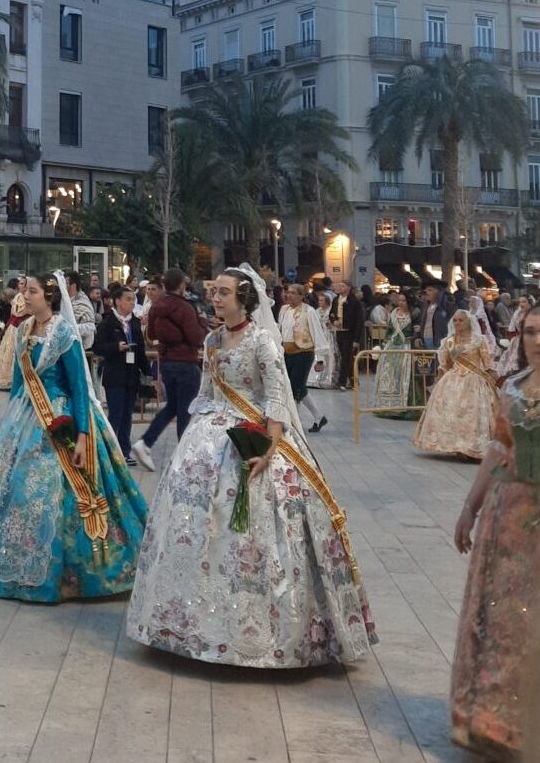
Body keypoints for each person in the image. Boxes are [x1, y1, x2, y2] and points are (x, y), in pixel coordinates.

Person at [127, 264, 377, 667]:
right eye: (213, 291)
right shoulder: (210, 340)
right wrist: (199, 435)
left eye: (223, 292)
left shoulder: (262, 340)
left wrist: (269, 444)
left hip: (255, 434)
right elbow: (207, 392)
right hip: (211, 435)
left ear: (243, 299)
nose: (215, 297)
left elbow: (277, 396)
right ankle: (188, 621)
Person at [0, 272, 148, 602]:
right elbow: (21, 383)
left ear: (49, 297)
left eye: (31, 291)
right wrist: (10, 429)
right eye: (24, 291)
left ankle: (64, 571)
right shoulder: (21, 331)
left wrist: (81, 434)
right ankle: (13, 563)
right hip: (25, 416)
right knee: (15, 490)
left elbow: (79, 384)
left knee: (52, 493)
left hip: (60, 415)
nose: (25, 296)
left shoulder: (64, 333)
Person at [450, 302, 540, 761]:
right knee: (500, 614)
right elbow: (496, 449)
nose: (536, 340)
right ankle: (490, 718)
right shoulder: (514, 389)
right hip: (505, 513)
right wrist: (471, 506)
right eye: (529, 331)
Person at [132, 268, 205, 472]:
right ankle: (183, 457)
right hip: (186, 362)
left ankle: (146, 441)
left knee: (172, 405)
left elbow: (152, 332)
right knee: (185, 410)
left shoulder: (157, 306)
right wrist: (202, 324)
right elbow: (196, 337)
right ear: (181, 285)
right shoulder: (185, 308)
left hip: (166, 361)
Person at [413, 310, 498, 460]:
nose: (457, 323)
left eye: (461, 321)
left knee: (472, 414)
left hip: (474, 381)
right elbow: (444, 365)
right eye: (455, 321)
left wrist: (495, 382)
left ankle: (471, 447)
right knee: (451, 413)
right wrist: (436, 387)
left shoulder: (479, 340)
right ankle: (456, 446)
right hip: (452, 380)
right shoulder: (449, 341)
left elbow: (488, 364)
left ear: (469, 322)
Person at [94, 282, 150, 463]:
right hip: (114, 376)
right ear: (117, 301)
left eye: (133, 299)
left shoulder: (134, 323)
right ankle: (110, 451)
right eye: (127, 299)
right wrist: (115, 347)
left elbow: (140, 351)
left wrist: (149, 373)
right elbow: (98, 347)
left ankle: (124, 451)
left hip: (131, 376)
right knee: (115, 414)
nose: (132, 303)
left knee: (127, 415)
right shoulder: (107, 323)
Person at [277, 284, 328, 432]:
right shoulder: (283, 310)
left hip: (303, 353)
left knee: (294, 389)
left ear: (301, 296)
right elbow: (281, 330)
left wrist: (320, 359)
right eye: (288, 292)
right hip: (287, 353)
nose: (289, 295)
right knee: (294, 387)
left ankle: (293, 423)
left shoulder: (309, 312)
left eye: (293, 293)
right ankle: (319, 417)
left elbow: (317, 333)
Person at [372, 289, 416, 417]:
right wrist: (385, 343)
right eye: (400, 300)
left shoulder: (413, 315)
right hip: (391, 348)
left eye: (404, 301)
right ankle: (386, 404)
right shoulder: (393, 314)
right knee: (388, 374)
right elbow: (389, 331)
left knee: (403, 375)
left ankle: (402, 405)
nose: (401, 303)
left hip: (405, 348)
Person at [0, 275, 29, 389]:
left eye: (23, 283)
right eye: (20, 283)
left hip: (25, 327)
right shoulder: (17, 297)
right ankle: (8, 380)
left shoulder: (29, 297)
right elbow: (14, 314)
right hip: (13, 327)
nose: (21, 285)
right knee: (8, 351)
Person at [330, 278, 364, 389]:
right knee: (344, 357)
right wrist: (334, 320)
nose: (340, 288)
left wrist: (356, 339)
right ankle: (353, 381)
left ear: (349, 288)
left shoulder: (355, 302)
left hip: (350, 333)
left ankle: (342, 382)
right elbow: (332, 313)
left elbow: (359, 321)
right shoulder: (335, 300)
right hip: (339, 331)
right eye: (339, 286)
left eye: (343, 286)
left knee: (346, 356)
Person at [307, 289, 339, 391]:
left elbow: (334, 323)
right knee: (318, 356)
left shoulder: (330, 311)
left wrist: (330, 325)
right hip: (319, 335)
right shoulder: (316, 311)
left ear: (327, 302)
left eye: (322, 300)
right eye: (319, 300)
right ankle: (315, 379)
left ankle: (328, 379)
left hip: (328, 335)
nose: (320, 302)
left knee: (329, 357)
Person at [497, 295, 534, 380]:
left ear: (529, 303)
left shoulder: (534, 314)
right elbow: (512, 330)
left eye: (524, 302)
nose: (521, 304)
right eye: (520, 302)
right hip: (518, 342)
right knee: (515, 365)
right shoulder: (517, 314)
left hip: (530, 341)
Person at [65, 271, 97, 350]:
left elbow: (90, 327)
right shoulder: (65, 300)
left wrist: (67, 329)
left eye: (65, 283)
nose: (62, 286)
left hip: (80, 348)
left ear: (73, 286)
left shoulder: (82, 303)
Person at [414, 282, 449, 351]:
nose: (426, 292)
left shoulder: (446, 306)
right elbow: (419, 324)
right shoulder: (425, 306)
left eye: (430, 290)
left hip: (440, 341)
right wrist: (417, 337)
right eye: (426, 290)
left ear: (438, 292)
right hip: (425, 339)